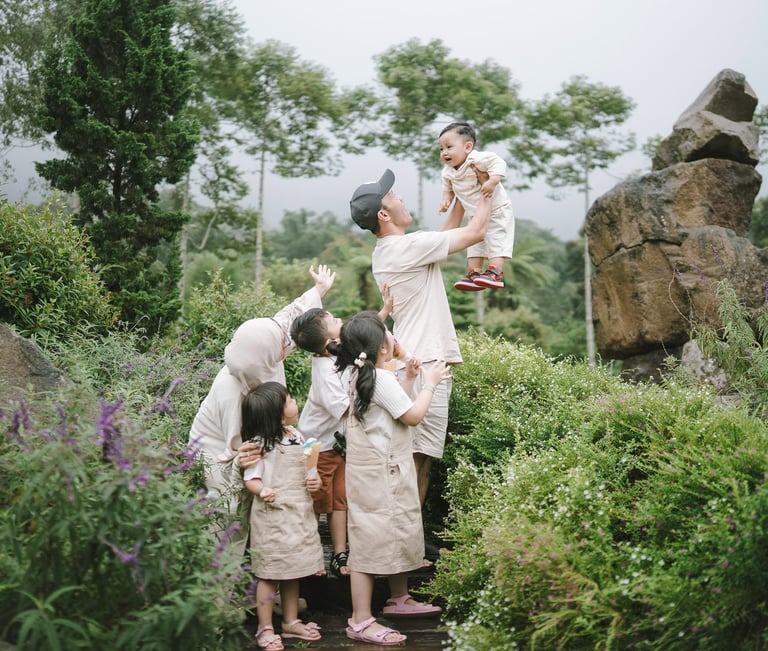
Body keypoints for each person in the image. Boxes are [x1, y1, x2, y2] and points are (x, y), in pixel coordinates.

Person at [349, 169, 492, 507]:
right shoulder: (406, 248)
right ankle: (403, 545)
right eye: (393, 196)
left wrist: (459, 192)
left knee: (414, 458)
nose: (400, 198)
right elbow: (476, 231)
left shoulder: (392, 250)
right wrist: (486, 192)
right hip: (423, 362)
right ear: (384, 214)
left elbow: (441, 237)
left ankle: (404, 542)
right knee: (416, 461)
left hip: (414, 357)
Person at [188, 264, 336, 556]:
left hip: (253, 440)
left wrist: (319, 290)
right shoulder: (234, 391)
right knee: (230, 515)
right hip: (218, 449)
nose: (286, 347)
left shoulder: (265, 343)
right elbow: (237, 446)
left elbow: (291, 317)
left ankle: (257, 585)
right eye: (282, 344)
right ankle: (222, 588)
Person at [334, 311, 449, 645]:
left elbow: (394, 404)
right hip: (379, 476)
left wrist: (410, 380)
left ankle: (399, 598)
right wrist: (430, 383)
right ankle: (360, 620)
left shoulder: (364, 373)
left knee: (398, 528)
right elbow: (412, 416)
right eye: (388, 332)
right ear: (382, 345)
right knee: (369, 546)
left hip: (381, 472)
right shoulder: (378, 378)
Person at [288, 290, 395, 578]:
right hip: (317, 449)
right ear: (329, 341)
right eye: (333, 319)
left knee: (339, 501)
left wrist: (383, 312)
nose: (338, 318)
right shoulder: (323, 372)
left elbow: (363, 338)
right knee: (317, 504)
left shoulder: (336, 355)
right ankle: (309, 558)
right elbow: (346, 409)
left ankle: (339, 553)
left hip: (334, 447)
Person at [240, 382, 324, 651]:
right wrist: (262, 489)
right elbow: (250, 478)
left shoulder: (297, 436)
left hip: (298, 513)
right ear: (276, 412)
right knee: (269, 574)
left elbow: (309, 472)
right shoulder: (261, 445)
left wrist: (316, 482)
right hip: (273, 517)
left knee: (293, 570)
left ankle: (290, 621)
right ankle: (265, 627)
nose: (294, 402)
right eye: (289, 400)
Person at [438, 121, 515, 291]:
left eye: (449, 147)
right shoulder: (448, 171)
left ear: (468, 147)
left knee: (495, 237)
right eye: (441, 149)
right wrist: (446, 200)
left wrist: (493, 181)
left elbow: (499, 164)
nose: (444, 153)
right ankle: (474, 273)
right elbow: (447, 188)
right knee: (473, 243)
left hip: (497, 209)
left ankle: (495, 272)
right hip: (475, 213)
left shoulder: (477, 159)